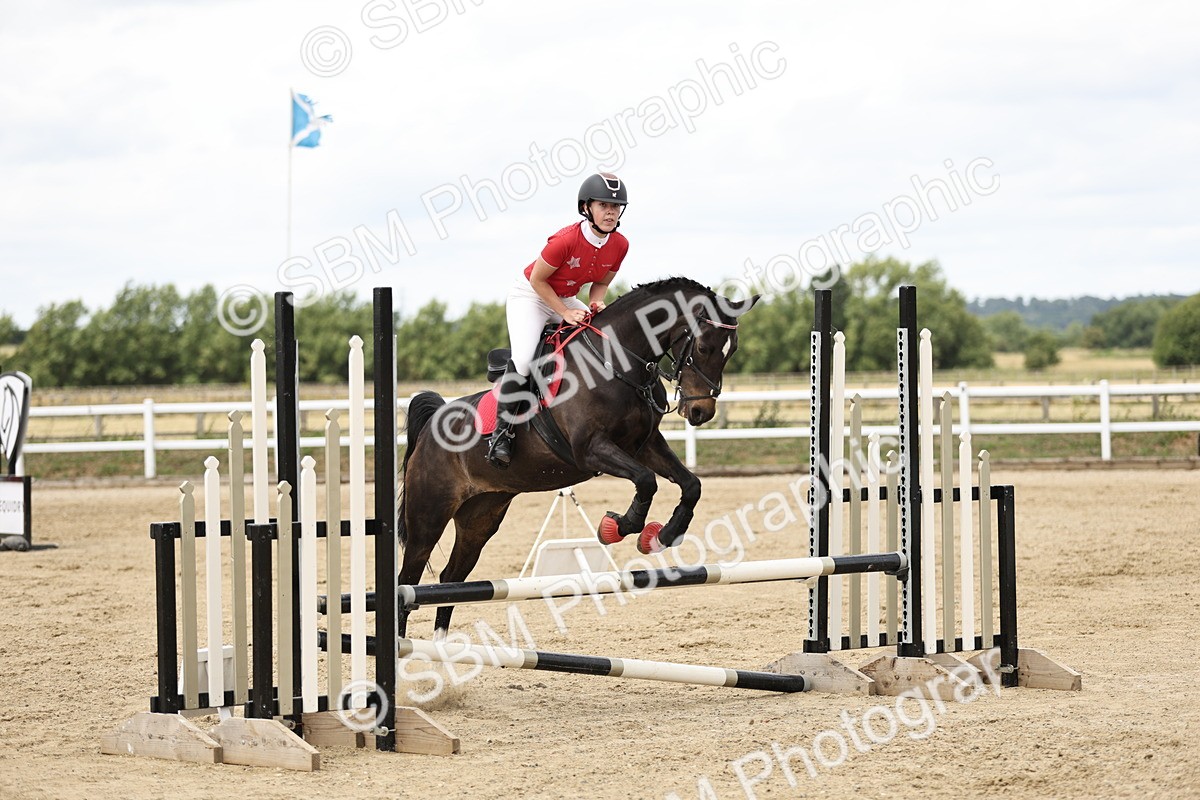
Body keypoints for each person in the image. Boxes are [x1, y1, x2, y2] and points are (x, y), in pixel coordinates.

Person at [487, 172, 630, 468]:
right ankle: (500, 435)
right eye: (603, 205)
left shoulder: (620, 244)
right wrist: (565, 313)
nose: (611, 212)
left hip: (565, 298)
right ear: (586, 208)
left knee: (602, 338)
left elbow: (601, 282)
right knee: (525, 359)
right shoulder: (564, 240)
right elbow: (539, 281)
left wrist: (595, 300)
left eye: (616, 206)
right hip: (531, 296)